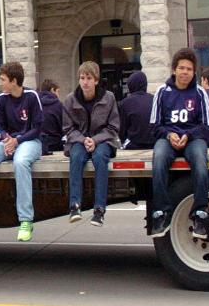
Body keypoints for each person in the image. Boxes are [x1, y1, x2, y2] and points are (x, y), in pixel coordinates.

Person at [0, 61, 42, 242]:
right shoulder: (1, 99)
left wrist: (17, 140)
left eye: (3, 80)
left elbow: (37, 128)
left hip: (30, 141)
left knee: (20, 162)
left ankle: (25, 220)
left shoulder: (31, 97)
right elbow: (0, 127)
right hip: (8, 140)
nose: (1, 83)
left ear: (14, 80)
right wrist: (7, 139)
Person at [148, 48, 209, 239]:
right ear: (174, 70)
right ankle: (161, 212)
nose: (185, 72)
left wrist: (189, 136)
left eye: (189, 69)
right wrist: (168, 135)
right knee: (158, 158)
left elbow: (207, 125)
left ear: (194, 72)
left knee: (201, 162)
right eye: (181, 68)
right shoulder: (162, 91)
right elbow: (154, 125)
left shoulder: (200, 93)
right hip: (168, 138)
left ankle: (200, 214)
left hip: (192, 139)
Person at [62, 61, 119, 226]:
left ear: (96, 80)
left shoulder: (108, 98)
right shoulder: (70, 100)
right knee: (77, 156)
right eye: (82, 78)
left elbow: (113, 126)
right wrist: (83, 139)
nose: (85, 81)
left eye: (88, 78)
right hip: (79, 140)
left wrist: (95, 140)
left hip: (103, 140)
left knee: (100, 157)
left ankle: (99, 210)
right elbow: (68, 128)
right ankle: (74, 206)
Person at [117, 71, 155, 150]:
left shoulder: (125, 103)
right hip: (154, 143)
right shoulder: (155, 99)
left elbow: (122, 129)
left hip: (133, 143)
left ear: (131, 85)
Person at [39, 79, 64, 155]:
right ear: (53, 90)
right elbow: (63, 127)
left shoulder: (34, 102)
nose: (58, 95)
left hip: (38, 144)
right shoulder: (58, 105)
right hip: (55, 144)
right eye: (58, 91)